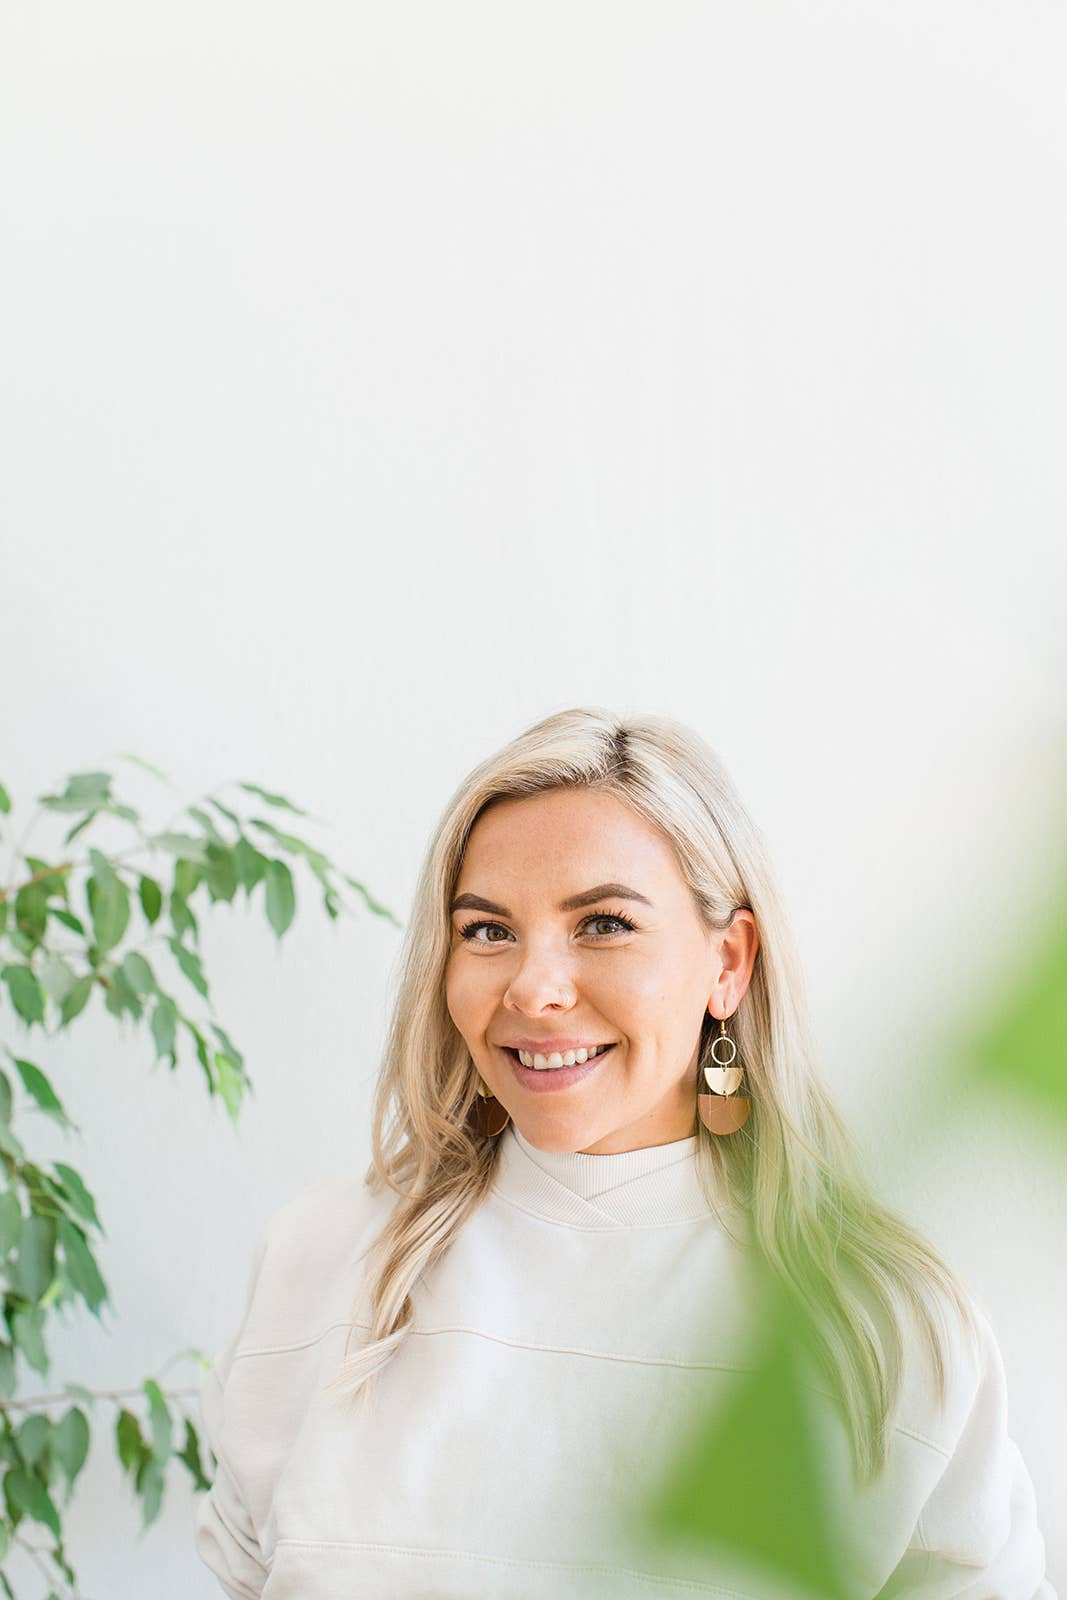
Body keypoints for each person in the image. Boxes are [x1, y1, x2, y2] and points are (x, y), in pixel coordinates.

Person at [194, 707, 1056, 1598]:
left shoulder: (877, 1315)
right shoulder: (320, 1261)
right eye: (486, 930)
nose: (533, 989)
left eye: (602, 924)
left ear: (729, 960)